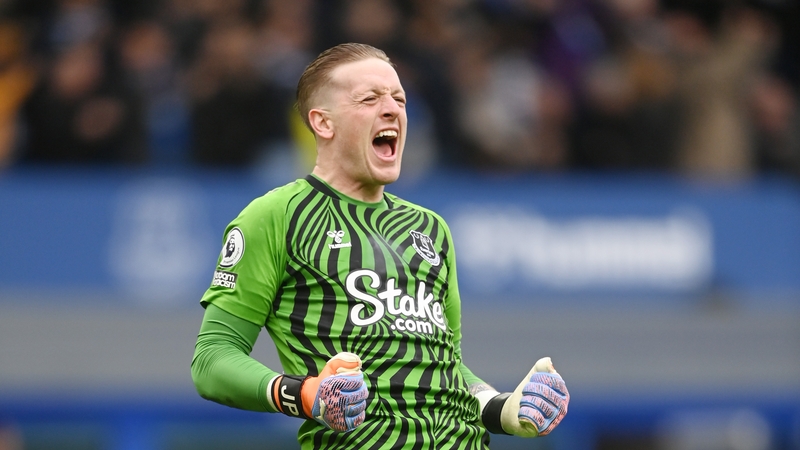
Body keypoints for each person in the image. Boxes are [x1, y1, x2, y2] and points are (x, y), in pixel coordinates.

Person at [191, 42, 569, 449]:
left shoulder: (431, 229)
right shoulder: (276, 216)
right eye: (369, 99)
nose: (392, 109)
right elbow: (212, 358)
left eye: (398, 99)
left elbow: (446, 370)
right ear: (323, 123)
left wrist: (503, 408)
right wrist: (304, 393)